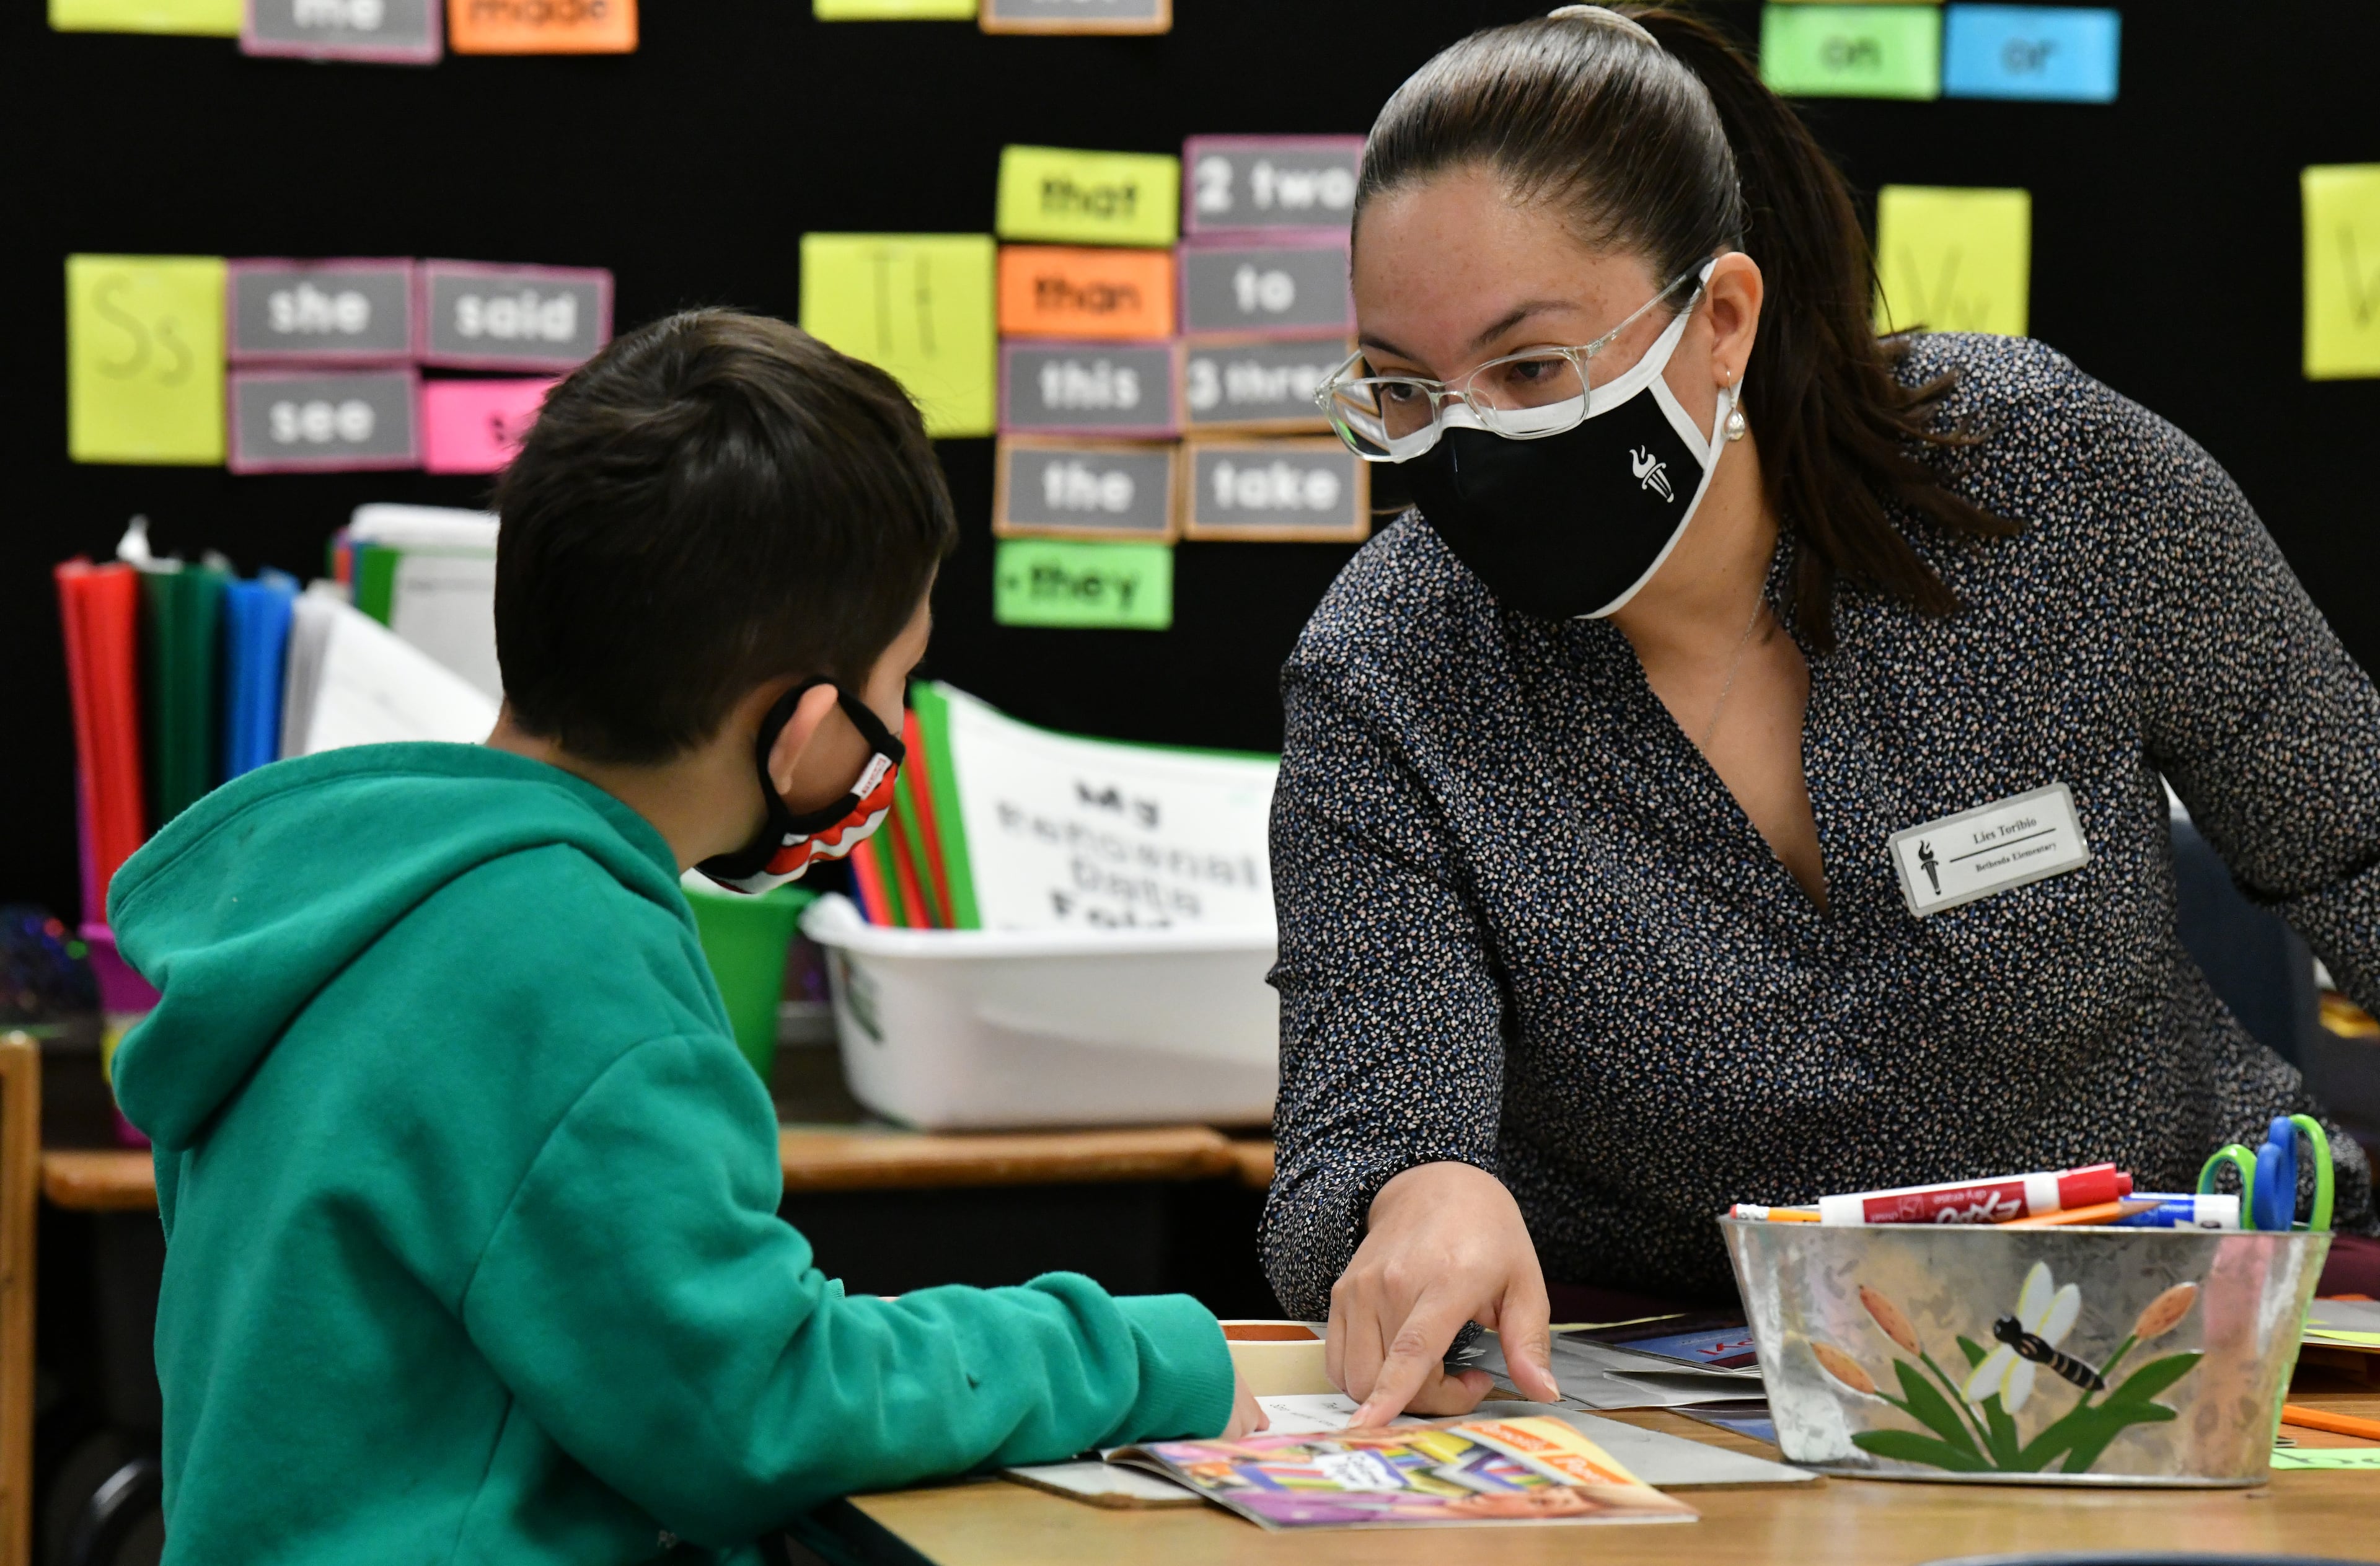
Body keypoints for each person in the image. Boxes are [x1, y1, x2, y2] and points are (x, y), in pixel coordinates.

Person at [1260, 3, 2380, 1427]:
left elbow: (2360, 837)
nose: (1467, 444)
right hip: (1680, 1388)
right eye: (1408, 391)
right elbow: (1366, 1118)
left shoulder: (2041, 483)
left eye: (1532, 370)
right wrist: (1421, 1198)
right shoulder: (1392, 669)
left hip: (2178, 1334)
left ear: (1721, 318)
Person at [108, 310, 1259, 1565]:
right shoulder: (568, 966)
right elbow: (755, 1410)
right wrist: (1144, 1356)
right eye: (898, 681)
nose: (899, 724)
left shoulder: (371, 888)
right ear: (805, 725)